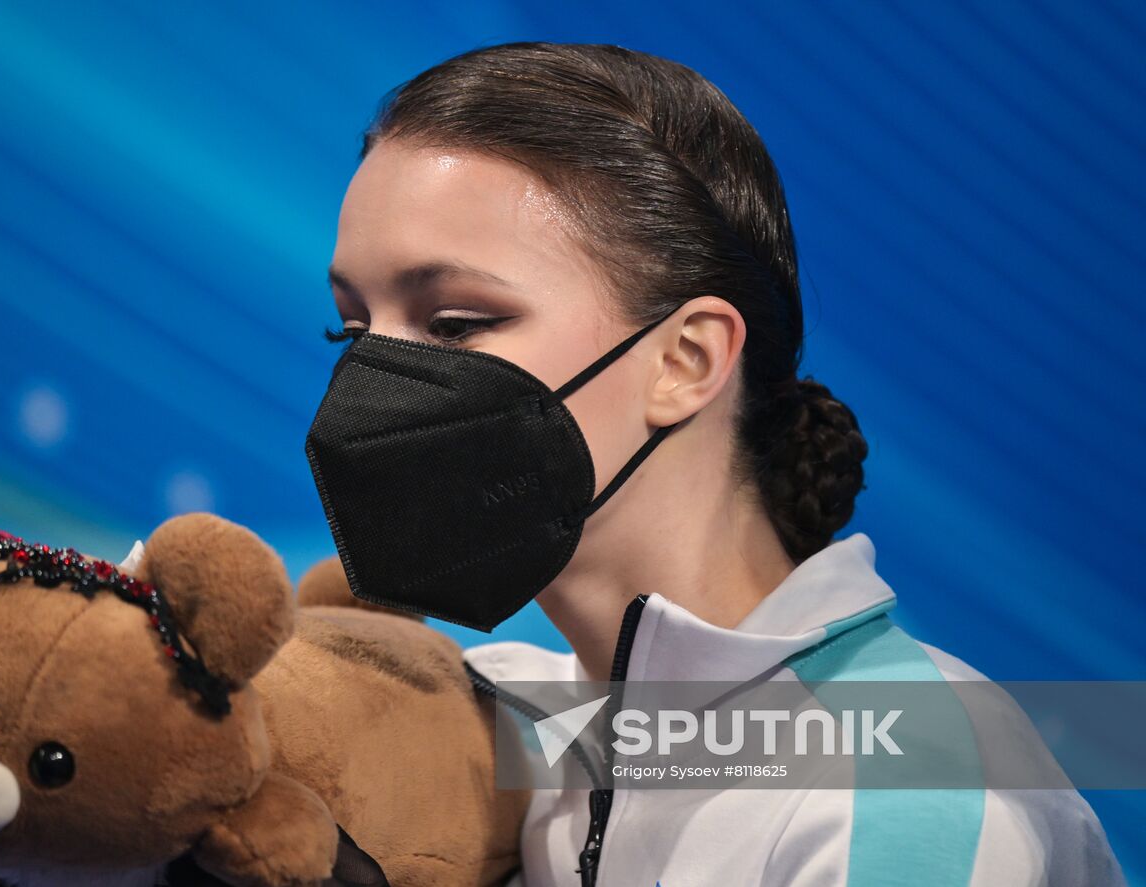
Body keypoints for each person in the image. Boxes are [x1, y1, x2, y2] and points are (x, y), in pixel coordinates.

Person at [305, 42, 1124, 886]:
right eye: (355, 330)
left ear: (686, 360)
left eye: (454, 322)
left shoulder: (907, 790)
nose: (373, 387)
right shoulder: (492, 732)